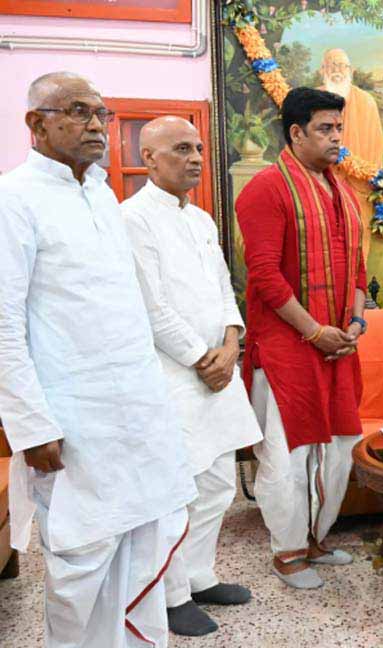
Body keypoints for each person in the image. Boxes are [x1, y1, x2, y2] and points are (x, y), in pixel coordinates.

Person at [0, 71, 196, 647]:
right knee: (80, 561)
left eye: (101, 114)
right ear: (36, 124)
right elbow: (3, 325)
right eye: (78, 111)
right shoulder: (13, 199)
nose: (95, 125)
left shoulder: (102, 194)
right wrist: (32, 426)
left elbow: (125, 310)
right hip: (71, 420)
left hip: (135, 413)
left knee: (140, 543)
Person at [121, 116, 263, 636]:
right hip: (175, 376)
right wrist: (204, 358)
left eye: (199, 148)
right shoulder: (132, 219)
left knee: (220, 482)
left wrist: (232, 343)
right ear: (149, 158)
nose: (196, 158)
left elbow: (225, 289)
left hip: (218, 370)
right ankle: (171, 594)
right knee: (182, 488)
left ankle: (200, 576)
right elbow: (151, 307)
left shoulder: (202, 219)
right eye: (181, 149)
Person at [236, 87, 367, 589]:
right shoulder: (266, 190)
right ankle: (287, 551)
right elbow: (265, 277)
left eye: (339, 128)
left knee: (338, 450)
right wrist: (314, 331)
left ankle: (316, 538)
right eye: (325, 129)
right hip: (289, 347)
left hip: (338, 344)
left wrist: (355, 324)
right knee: (288, 455)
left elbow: (358, 269)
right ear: (296, 132)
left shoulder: (343, 193)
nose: (336, 138)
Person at [318, 48, 383, 264]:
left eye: (342, 65)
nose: (337, 70)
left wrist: (363, 179)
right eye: (332, 65)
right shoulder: (312, 102)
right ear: (322, 70)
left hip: (358, 189)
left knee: (357, 253)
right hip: (320, 189)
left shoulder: (366, 102)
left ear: (351, 70)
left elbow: (376, 149)